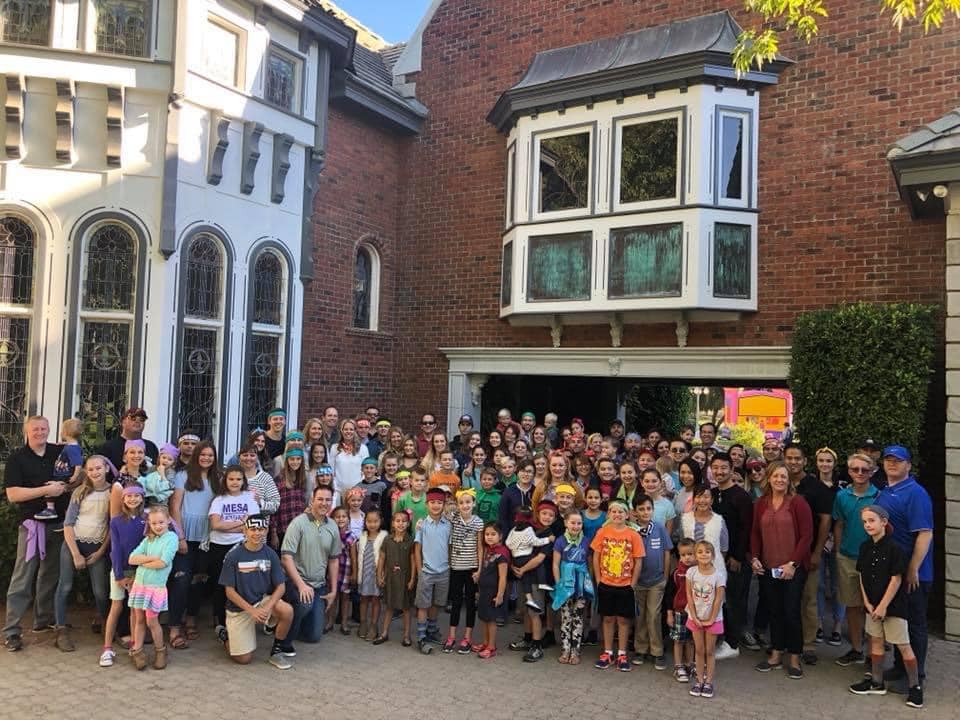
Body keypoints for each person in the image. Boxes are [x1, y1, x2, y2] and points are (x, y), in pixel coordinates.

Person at [848, 505, 923, 708]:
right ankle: (876, 681)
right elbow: (862, 576)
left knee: (903, 645)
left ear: (884, 522)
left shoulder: (895, 548)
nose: (867, 525)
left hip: (893, 606)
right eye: (864, 522)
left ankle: (915, 686)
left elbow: (896, 579)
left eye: (872, 520)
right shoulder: (865, 547)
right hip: (872, 606)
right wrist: (867, 602)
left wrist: (883, 606)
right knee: (876, 641)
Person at [3, 416, 67, 652]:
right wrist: (45, 490)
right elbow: (13, 495)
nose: (40, 432)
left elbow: (75, 476)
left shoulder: (59, 453)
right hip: (32, 526)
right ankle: (12, 631)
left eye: (43, 428)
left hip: (58, 524)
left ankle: (43, 620)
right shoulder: (17, 458)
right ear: (26, 431)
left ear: (49, 430)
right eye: (35, 429)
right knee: (23, 577)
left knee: (50, 575)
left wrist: (65, 486)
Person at [874, 445, 933, 693]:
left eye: (898, 460)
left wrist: (913, 568)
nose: (892, 463)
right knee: (899, 622)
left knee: (915, 625)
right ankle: (900, 667)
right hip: (894, 572)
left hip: (914, 574)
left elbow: (924, 534)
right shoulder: (886, 490)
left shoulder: (916, 493)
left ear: (908, 465)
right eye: (888, 459)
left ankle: (916, 677)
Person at [751, 461, 813, 679]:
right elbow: (755, 533)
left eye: (783, 476)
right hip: (769, 567)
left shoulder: (798, 502)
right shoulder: (761, 503)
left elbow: (807, 536)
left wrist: (793, 563)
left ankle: (795, 657)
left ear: (789, 480)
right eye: (775, 476)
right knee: (774, 611)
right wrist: (755, 557)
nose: (779, 480)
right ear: (768, 478)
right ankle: (776, 653)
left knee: (791, 612)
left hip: (793, 569)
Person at [53, 454, 112, 651]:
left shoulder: (113, 492)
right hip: (74, 543)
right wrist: (75, 553)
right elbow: (68, 524)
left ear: (106, 468)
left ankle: (105, 623)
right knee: (65, 586)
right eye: (91, 469)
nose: (95, 472)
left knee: (100, 591)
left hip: (97, 546)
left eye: (99, 468)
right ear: (86, 471)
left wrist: (101, 552)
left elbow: (112, 527)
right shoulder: (80, 492)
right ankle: (60, 629)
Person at [219, 514, 294, 669]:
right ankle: (225, 636)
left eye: (261, 529)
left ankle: (277, 651)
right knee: (244, 659)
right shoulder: (233, 556)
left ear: (266, 531)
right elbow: (229, 592)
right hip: (239, 608)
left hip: (261, 601)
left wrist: (266, 608)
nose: (257, 533)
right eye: (252, 529)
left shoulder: (271, 554)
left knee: (287, 610)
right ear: (244, 531)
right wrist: (252, 611)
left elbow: (281, 586)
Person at [785, 443, 833, 665]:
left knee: (808, 599)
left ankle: (809, 645)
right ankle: (785, 640)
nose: (793, 462)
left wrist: (817, 552)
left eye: (797, 458)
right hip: (782, 551)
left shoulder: (817, 487)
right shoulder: (779, 481)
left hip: (807, 553)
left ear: (805, 461)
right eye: (789, 458)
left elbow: (825, 521)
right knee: (784, 599)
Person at [168, 440, 219, 646]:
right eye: (203, 454)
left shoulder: (218, 478)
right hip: (185, 534)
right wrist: (180, 536)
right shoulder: (183, 475)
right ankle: (174, 626)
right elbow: (175, 506)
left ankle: (191, 619)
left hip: (207, 537)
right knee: (181, 580)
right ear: (197, 455)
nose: (206, 458)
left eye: (210, 455)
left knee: (199, 580)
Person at [832, 452, 880, 666]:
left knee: (872, 607)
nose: (860, 473)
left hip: (873, 559)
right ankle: (856, 648)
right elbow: (839, 524)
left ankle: (873, 652)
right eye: (855, 469)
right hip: (848, 557)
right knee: (852, 606)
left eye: (864, 469)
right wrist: (838, 551)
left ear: (872, 472)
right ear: (849, 471)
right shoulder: (841, 496)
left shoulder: (879, 496)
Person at [280, 485, 341, 643]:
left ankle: (295, 621)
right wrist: (301, 585)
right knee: (305, 604)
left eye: (328, 500)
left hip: (318, 586)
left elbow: (334, 560)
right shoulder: (298, 523)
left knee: (314, 636)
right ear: (312, 500)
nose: (324, 503)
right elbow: (286, 557)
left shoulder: (333, 526)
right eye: (320, 499)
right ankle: (284, 635)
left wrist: (333, 591)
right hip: (295, 582)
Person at [591, 498, 644, 672]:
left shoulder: (633, 535)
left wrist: (633, 583)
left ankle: (622, 653)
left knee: (623, 620)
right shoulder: (602, 532)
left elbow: (638, 560)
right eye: (614, 511)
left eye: (621, 511)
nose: (617, 514)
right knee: (607, 618)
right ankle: (607, 652)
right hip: (606, 582)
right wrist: (598, 579)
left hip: (625, 584)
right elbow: (596, 556)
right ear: (609, 514)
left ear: (627, 515)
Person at [208, 466, 260, 642]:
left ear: (243, 481)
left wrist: (229, 525)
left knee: (242, 584)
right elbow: (216, 525)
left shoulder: (249, 498)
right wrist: (240, 523)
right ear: (225, 480)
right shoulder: (219, 500)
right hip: (219, 546)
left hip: (242, 545)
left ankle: (244, 620)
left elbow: (253, 524)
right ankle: (221, 622)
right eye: (231, 479)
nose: (235, 482)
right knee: (221, 584)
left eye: (238, 479)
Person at [710, 451, 754, 657]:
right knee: (719, 598)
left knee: (735, 599)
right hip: (715, 556)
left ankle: (732, 643)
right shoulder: (712, 493)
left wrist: (737, 556)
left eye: (723, 468)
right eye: (715, 468)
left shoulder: (741, 496)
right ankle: (721, 637)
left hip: (735, 557)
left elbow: (746, 528)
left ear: (731, 469)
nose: (719, 471)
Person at [126, 505, 178, 670]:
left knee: (152, 621)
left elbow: (163, 562)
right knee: (139, 620)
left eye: (161, 522)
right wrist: (151, 558)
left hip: (155, 588)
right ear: (149, 523)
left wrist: (144, 562)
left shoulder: (171, 538)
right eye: (154, 523)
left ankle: (160, 650)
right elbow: (131, 559)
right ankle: (137, 650)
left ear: (168, 521)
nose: (158, 526)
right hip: (140, 586)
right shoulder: (148, 539)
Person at [100, 485, 145, 666]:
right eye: (129, 496)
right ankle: (107, 648)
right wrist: (119, 575)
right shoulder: (116, 521)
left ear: (142, 498)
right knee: (116, 607)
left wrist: (137, 575)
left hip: (139, 572)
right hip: (119, 570)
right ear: (123, 499)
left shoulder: (147, 520)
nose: (133, 499)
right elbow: (116, 549)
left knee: (135, 610)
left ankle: (135, 646)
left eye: (136, 496)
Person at [632, 493, 672, 670]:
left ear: (653, 510)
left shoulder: (659, 528)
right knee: (640, 616)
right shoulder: (632, 530)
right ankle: (640, 649)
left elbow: (667, 552)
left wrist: (665, 575)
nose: (645, 512)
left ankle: (657, 651)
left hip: (657, 580)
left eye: (648, 508)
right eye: (641, 509)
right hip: (638, 581)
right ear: (635, 511)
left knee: (654, 615)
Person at [413, 487, 452, 654]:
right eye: (432, 502)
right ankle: (421, 637)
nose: (436, 505)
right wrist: (419, 570)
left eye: (439, 502)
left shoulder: (448, 525)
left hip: (443, 571)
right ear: (427, 504)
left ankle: (431, 630)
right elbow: (417, 549)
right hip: (427, 571)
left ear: (444, 504)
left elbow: (449, 547)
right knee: (423, 605)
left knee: (437, 603)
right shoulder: (422, 525)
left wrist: (449, 565)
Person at [686, 540, 726, 698]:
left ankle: (708, 681)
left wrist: (711, 619)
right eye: (700, 552)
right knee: (699, 650)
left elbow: (718, 599)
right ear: (696, 555)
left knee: (709, 651)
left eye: (707, 552)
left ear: (713, 555)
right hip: (696, 617)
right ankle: (699, 680)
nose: (704, 554)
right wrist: (694, 616)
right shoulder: (691, 572)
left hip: (713, 619)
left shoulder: (719, 576)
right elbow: (689, 595)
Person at [444, 488, 484, 653]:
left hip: (471, 568)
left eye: (468, 502)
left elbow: (480, 547)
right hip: (456, 567)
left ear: (474, 503)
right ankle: (451, 636)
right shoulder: (453, 519)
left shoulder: (478, 522)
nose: (465, 505)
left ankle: (467, 637)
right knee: (456, 602)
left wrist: (479, 569)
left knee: (470, 603)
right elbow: (442, 510)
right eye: (461, 503)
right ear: (457, 505)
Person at [552, 510, 593, 665]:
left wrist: (589, 582)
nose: (576, 526)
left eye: (579, 523)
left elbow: (589, 563)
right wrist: (559, 584)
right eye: (573, 523)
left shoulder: (586, 541)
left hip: (580, 585)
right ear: (566, 523)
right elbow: (555, 564)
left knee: (578, 618)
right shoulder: (560, 541)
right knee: (566, 618)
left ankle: (575, 651)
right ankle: (565, 650)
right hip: (566, 585)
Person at [813, 447, 843, 645]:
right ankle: (819, 624)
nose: (825, 464)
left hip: (838, 541)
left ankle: (838, 626)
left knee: (838, 585)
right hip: (817, 541)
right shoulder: (811, 485)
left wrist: (835, 540)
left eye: (828, 461)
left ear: (834, 463)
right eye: (821, 460)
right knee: (819, 584)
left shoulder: (842, 488)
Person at [374, 510, 415, 645]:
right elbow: (382, 558)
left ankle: (406, 635)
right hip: (391, 578)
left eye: (404, 521)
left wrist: (412, 579)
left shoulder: (410, 541)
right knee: (389, 606)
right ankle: (384, 633)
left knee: (406, 608)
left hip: (405, 579)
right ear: (392, 523)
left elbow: (413, 561)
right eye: (398, 521)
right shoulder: (387, 540)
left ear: (408, 524)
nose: (400, 524)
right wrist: (379, 575)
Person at [506, 506, 553, 613]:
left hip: (516, 559)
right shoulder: (529, 529)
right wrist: (548, 539)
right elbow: (535, 542)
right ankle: (542, 582)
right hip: (526, 556)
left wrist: (516, 547)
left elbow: (508, 543)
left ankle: (529, 599)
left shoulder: (513, 530)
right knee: (539, 564)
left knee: (525, 578)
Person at [473, 522, 509, 659]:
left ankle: (491, 646)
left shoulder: (502, 553)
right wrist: (478, 577)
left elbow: (503, 577)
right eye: (487, 534)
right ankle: (485, 643)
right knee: (483, 618)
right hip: (484, 590)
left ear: (500, 536)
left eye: (493, 534)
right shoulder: (488, 550)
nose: (489, 537)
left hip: (493, 592)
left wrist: (500, 595)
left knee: (491, 620)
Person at [35, 418, 83, 521]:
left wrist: (74, 476)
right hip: (63, 474)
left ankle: (50, 509)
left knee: (49, 487)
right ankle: (67, 518)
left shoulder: (72, 449)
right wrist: (64, 444)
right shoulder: (71, 446)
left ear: (65, 432)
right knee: (65, 497)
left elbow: (78, 464)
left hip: (65, 475)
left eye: (62, 430)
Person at [352, 509, 386, 640]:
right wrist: (355, 573)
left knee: (376, 600)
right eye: (369, 521)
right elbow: (357, 556)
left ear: (381, 521)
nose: (372, 524)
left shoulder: (384, 537)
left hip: (377, 574)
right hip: (365, 574)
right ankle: (363, 623)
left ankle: (373, 625)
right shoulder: (362, 537)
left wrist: (383, 575)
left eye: (375, 521)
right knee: (364, 599)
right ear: (365, 522)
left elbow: (386, 558)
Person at [668, 538, 696, 682]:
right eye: (683, 555)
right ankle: (678, 666)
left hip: (695, 613)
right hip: (679, 612)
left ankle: (690, 664)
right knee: (679, 640)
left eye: (690, 554)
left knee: (691, 640)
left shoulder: (699, 572)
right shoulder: (676, 573)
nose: (687, 558)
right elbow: (669, 595)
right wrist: (669, 614)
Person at [330, 506, 357, 635]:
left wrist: (354, 573)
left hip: (345, 570)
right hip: (333, 570)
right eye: (337, 517)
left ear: (348, 519)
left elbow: (354, 557)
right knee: (333, 596)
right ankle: (330, 621)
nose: (341, 519)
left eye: (344, 516)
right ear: (333, 519)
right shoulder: (332, 535)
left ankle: (344, 623)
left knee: (345, 598)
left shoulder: (351, 536)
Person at [331, 418, 370, 494]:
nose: (348, 432)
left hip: (357, 491)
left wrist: (359, 487)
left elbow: (366, 470)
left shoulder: (363, 448)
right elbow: (331, 470)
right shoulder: (334, 448)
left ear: (355, 431)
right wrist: (335, 488)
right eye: (346, 429)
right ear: (341, 431)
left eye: (351, 429)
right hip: (338, 491)